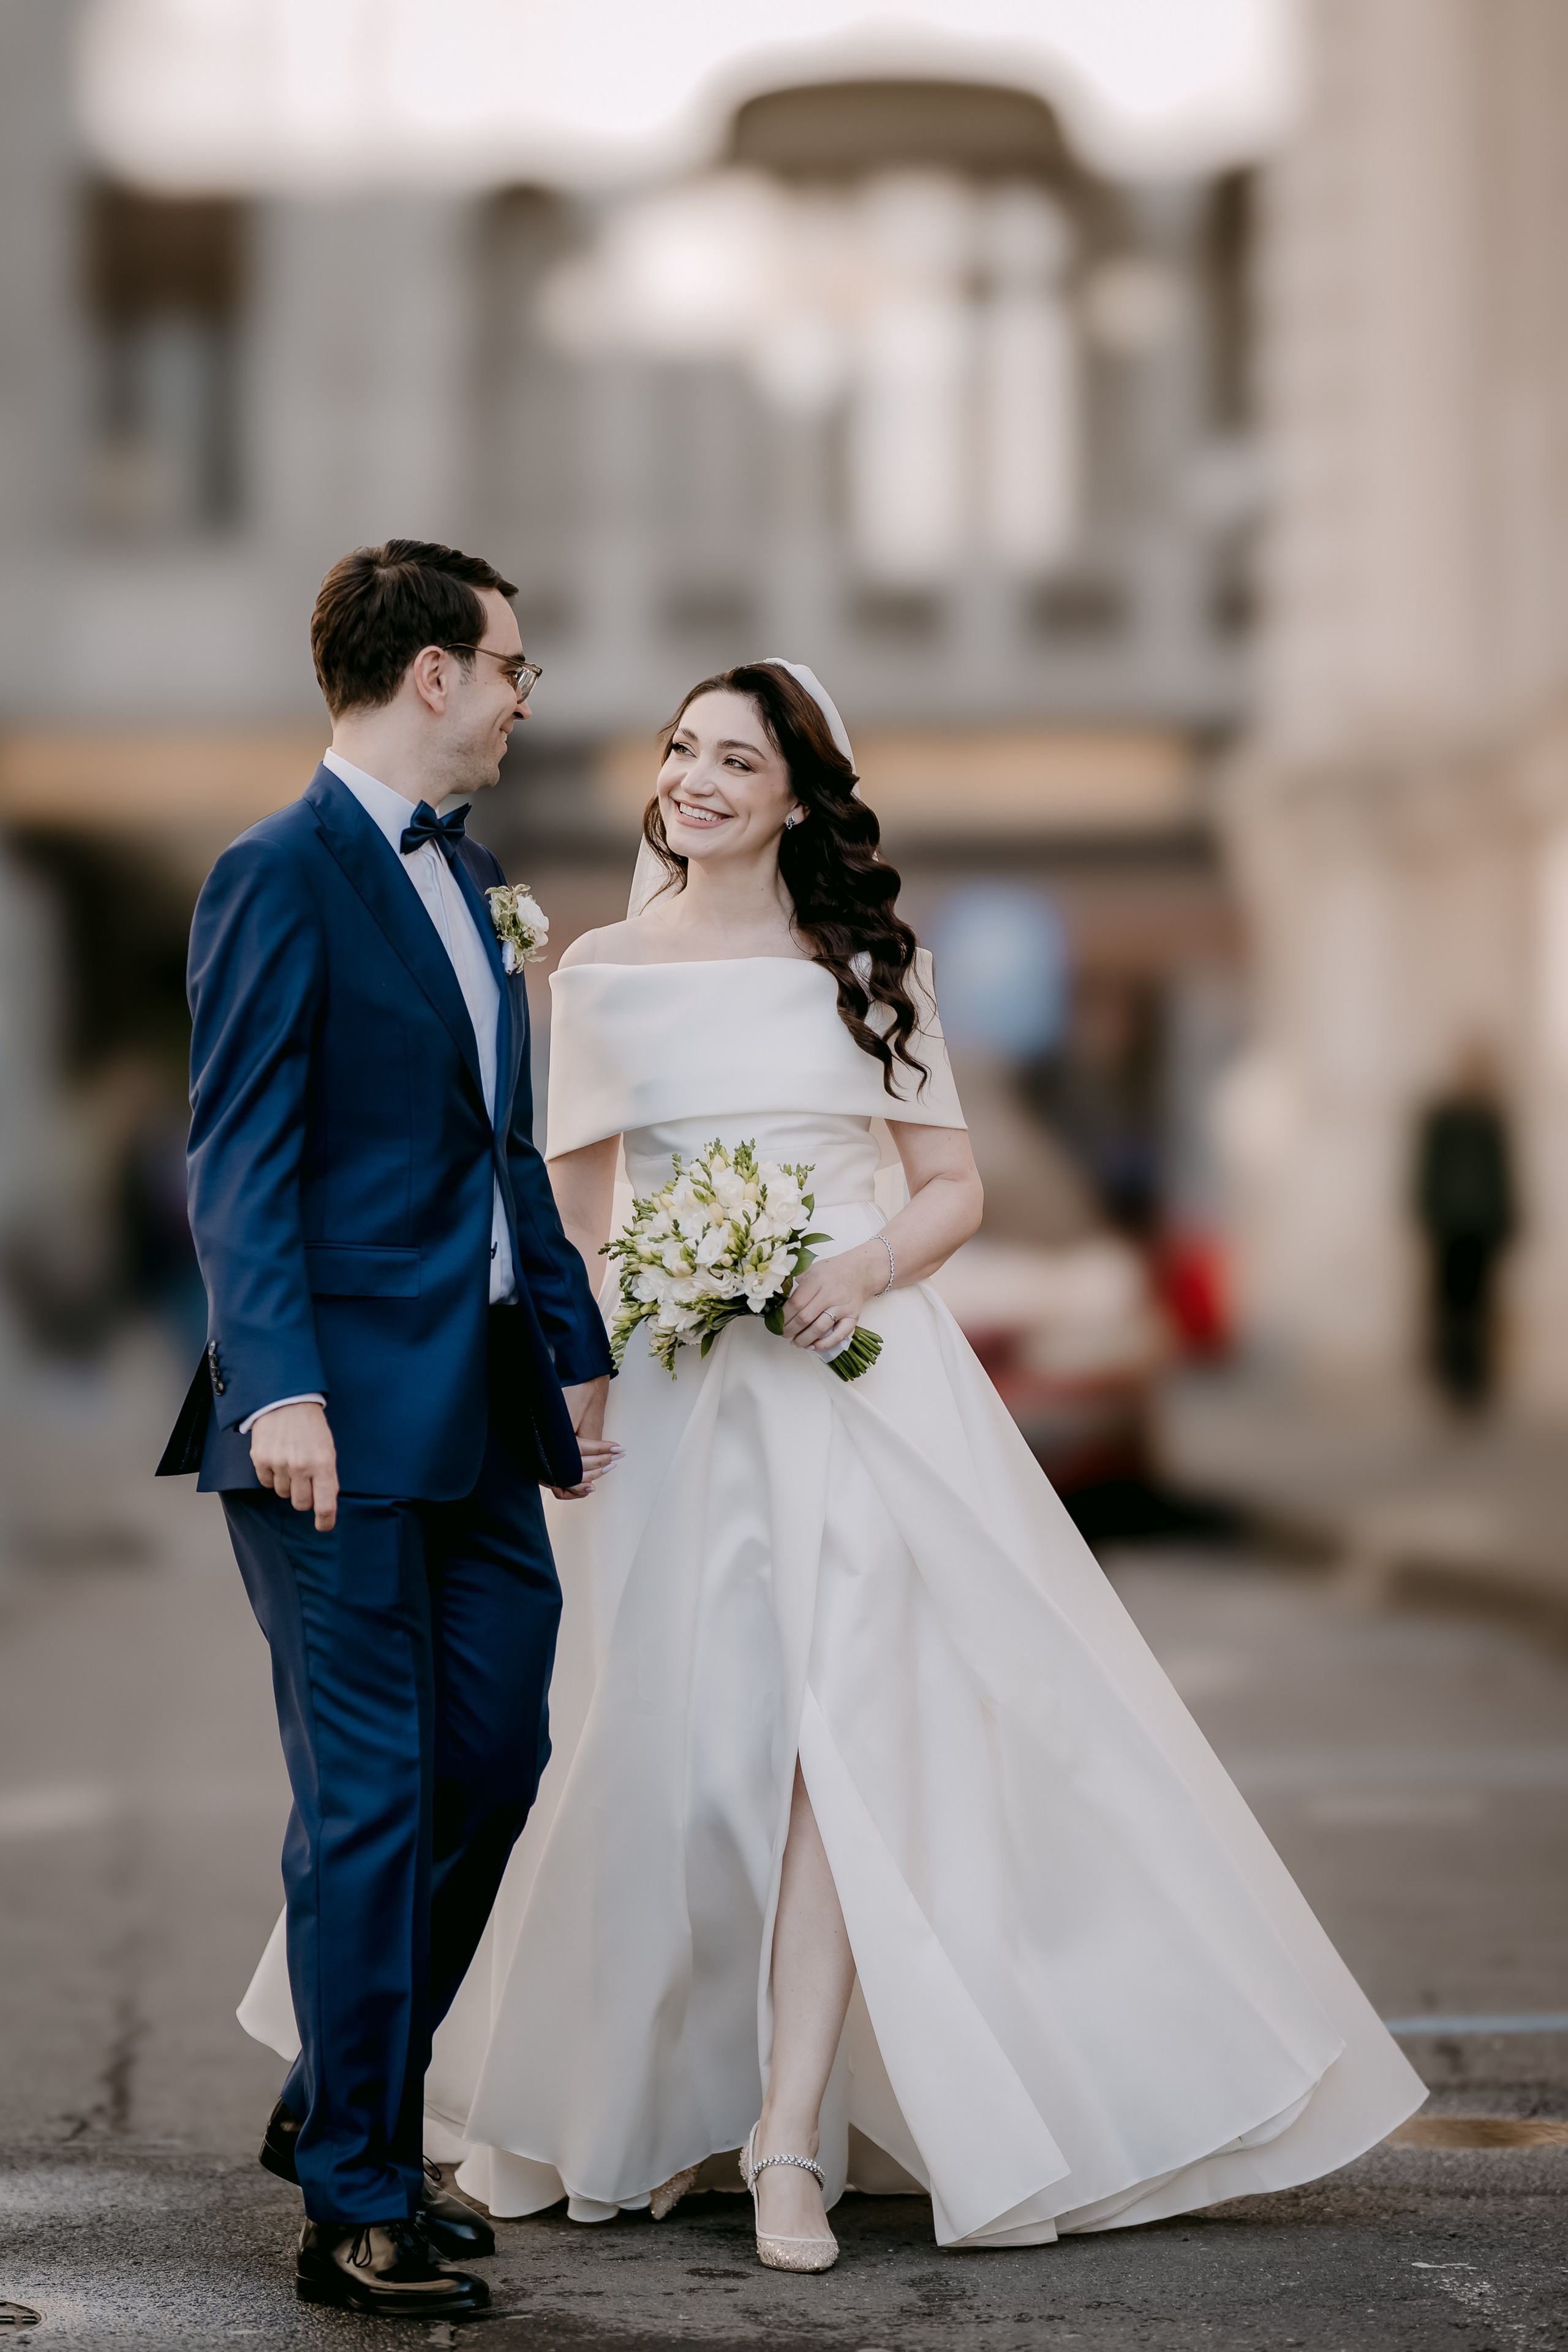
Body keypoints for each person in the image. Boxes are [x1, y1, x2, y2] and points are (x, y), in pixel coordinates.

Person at [241, 659, 1426, 2268]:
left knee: (839, 1741)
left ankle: (787, 2134)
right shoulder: (593, 972)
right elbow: (575, 1217)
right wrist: (579, 1378)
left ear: (799, 795)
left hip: (858, 1392)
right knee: (652, 1747)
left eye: (738, 758)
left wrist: (858, 1268)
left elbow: (951, 1190)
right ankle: (633, 2093)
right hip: (669, 1397)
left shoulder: (872, 967)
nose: (698, 779)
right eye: (683, 753)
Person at [158, 541, 618, 2316]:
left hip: (481, 1413)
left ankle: (329, 2097)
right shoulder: (274, 874)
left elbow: (503, 1159)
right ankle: (359, 2190)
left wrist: (569, 1357)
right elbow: (239, 1150)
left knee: (494, 1765)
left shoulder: (482, 882)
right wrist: (278, 1385)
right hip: (325, 1424)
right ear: (433, 672)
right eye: (512, 666)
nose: (520, 699)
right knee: (372, 1795)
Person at [1414, 1049, 1516, 1411]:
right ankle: (1453, 1376)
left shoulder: (1490, 1118)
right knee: (1449, 1305)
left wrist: (1506, 1222)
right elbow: (1429, 1170)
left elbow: (1502, 1174)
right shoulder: (1445, 1118)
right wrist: (1427, 1215)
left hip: (1481, 1228)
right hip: (1450, 1227)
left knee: (1480, 1306)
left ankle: (1475, 1379)